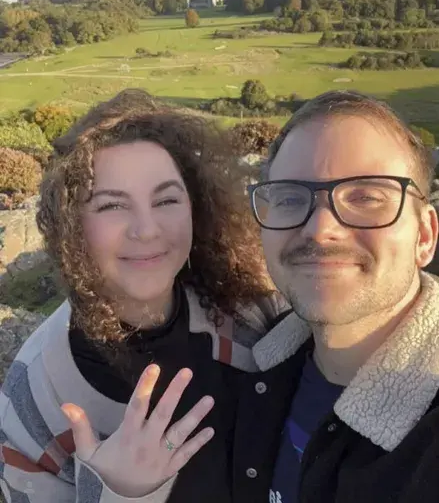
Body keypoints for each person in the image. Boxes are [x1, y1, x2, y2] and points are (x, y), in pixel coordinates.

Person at [0, 89, 286, 503]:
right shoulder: (35, 395)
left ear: (196, 207)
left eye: (166, 199)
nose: (146, 229)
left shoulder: (256, 317)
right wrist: (119, 494)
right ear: (71, 224)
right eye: (112, 206)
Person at [232, 90, 439, 503]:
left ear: (424, 237)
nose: (320, 229)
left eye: (366, 197)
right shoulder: (254, 362)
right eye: (291, 198)